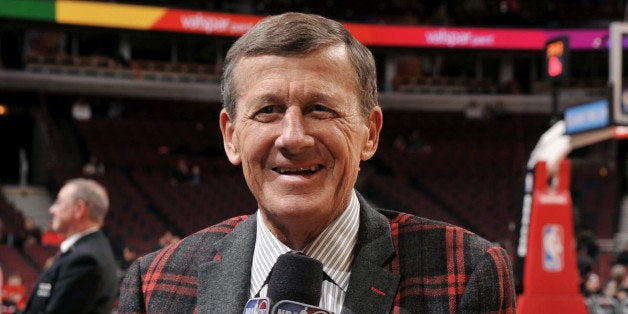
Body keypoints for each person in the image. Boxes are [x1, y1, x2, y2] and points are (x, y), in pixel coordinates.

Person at [119, 12, 515, 313]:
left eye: (321, 109)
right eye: (268, 110)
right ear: (231, 136)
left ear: (370, 133)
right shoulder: (154, 284)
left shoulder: (466, 273)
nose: (293, 137)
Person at [24, 178, 118, 314]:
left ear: (79, 209)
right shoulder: (88, 250)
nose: (52, 210)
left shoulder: (86, 259)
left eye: (58, 202)